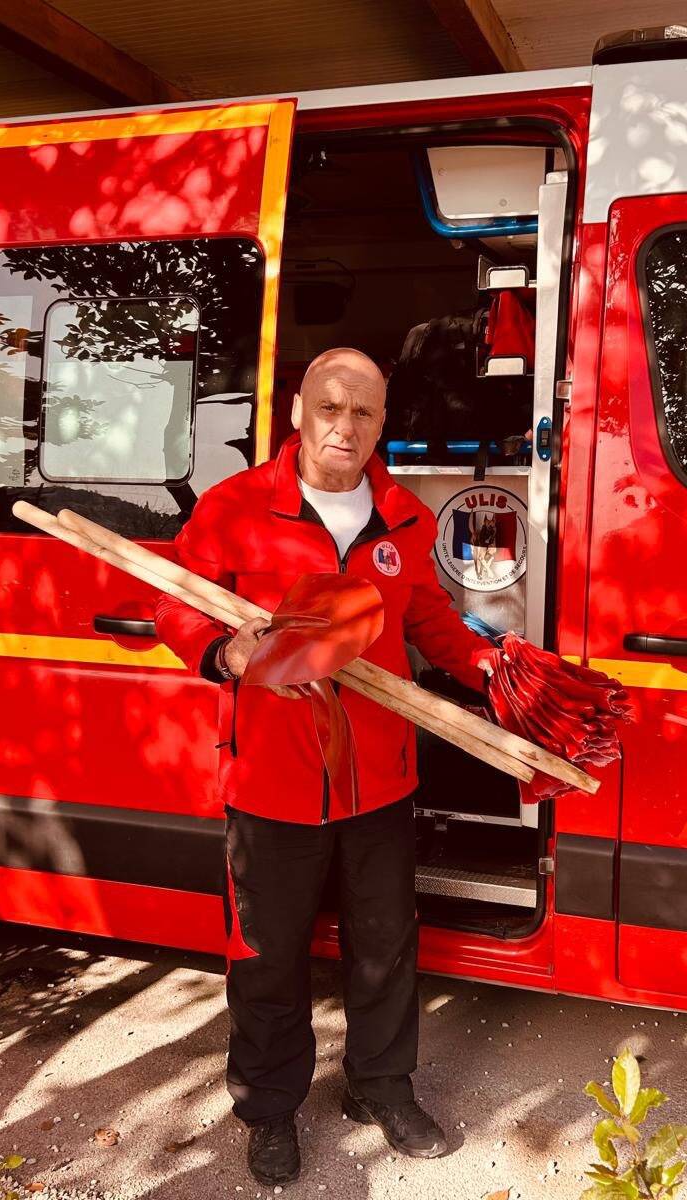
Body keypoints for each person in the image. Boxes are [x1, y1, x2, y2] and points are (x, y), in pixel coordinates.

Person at [154, 347, 495, 1187]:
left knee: (384, 946)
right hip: (270, 776)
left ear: (384, 422)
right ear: (300, 411)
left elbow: (432, 622)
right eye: (331, 409)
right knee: (267, 955)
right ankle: (269, 1110)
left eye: (365, 413)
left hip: (379, 777)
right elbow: (169, 600)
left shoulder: (404, 519)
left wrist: (496, 671)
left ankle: (380, 1087)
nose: (346, 428)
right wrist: (219, 650)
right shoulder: (235, 509)